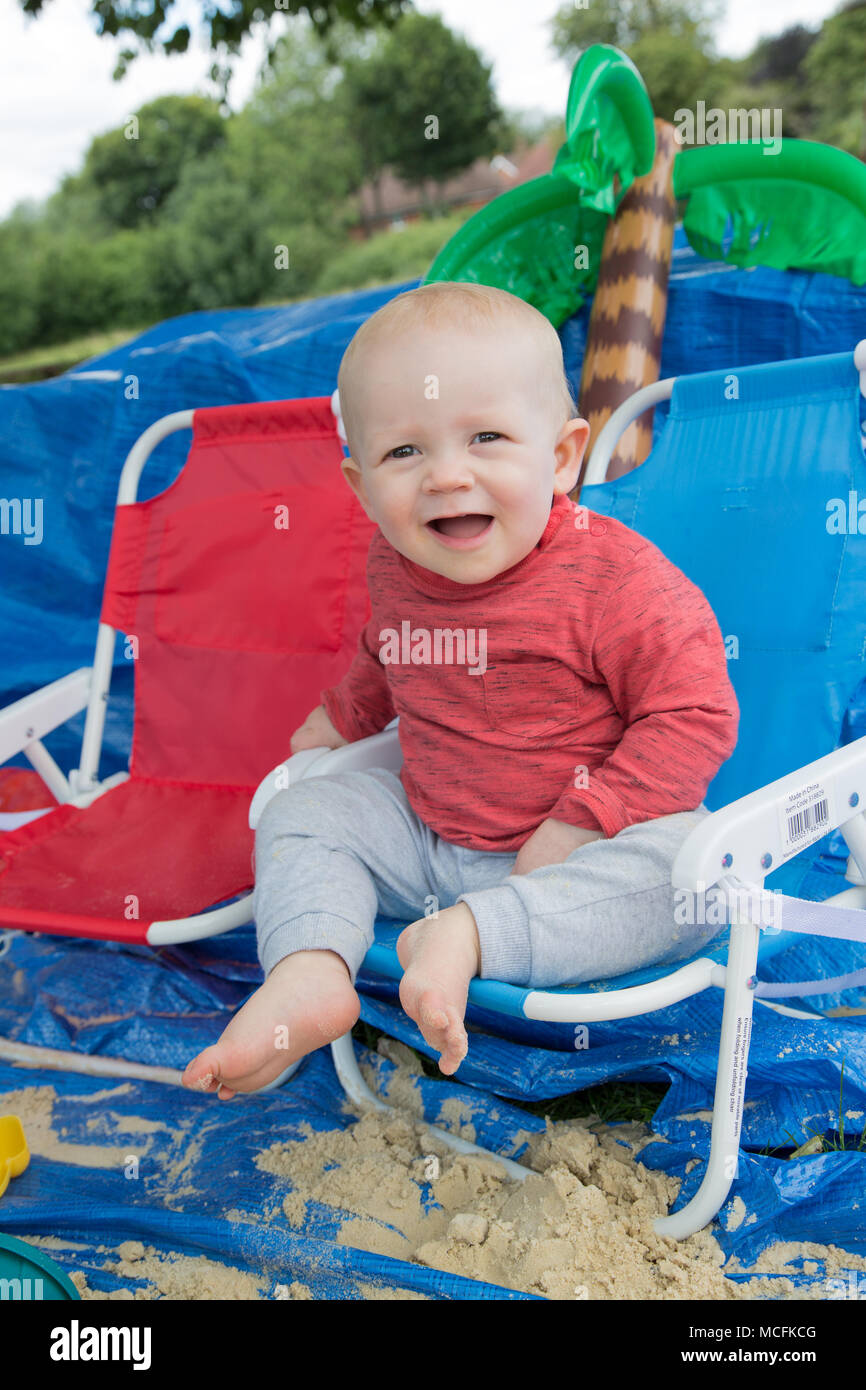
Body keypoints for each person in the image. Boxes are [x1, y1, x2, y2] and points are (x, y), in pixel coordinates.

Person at [182, 281, 738, 1098]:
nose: (446, 476)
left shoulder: (613, 580)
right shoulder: (396, 565)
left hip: (583, 858)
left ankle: (466, 939)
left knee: (698, 878)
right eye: (404, 452)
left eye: (486, 437)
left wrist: (588, 816)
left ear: (559, 458)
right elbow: (389, 652)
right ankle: (309, 970)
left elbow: (693, 714)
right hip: (434, 841)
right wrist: (345, 715)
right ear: (361, 486)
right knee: (302, 810)